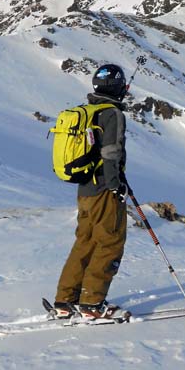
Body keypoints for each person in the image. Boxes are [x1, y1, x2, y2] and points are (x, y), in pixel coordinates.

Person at [53, 64, 129, 320]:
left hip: (85, 190)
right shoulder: (112, 114)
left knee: (84, 242)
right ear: (119, 87)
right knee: (109, 242)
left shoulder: (88, 111)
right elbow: (110, 153)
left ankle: (65, 300)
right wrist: (115, 185)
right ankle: (92, 304)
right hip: (103, 190)